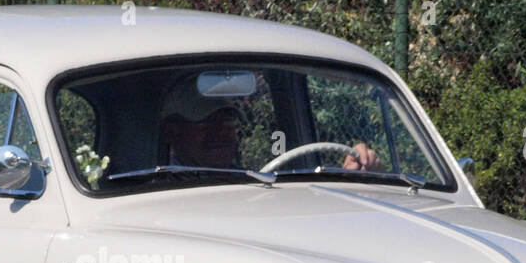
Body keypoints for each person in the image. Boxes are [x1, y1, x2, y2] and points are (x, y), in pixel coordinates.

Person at [157, 77, 385, 172]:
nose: (220, 133)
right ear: (172, 131)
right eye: (204, 122)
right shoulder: (161, 188)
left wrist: (359, 170)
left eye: (227, 120)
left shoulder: (253, 177)